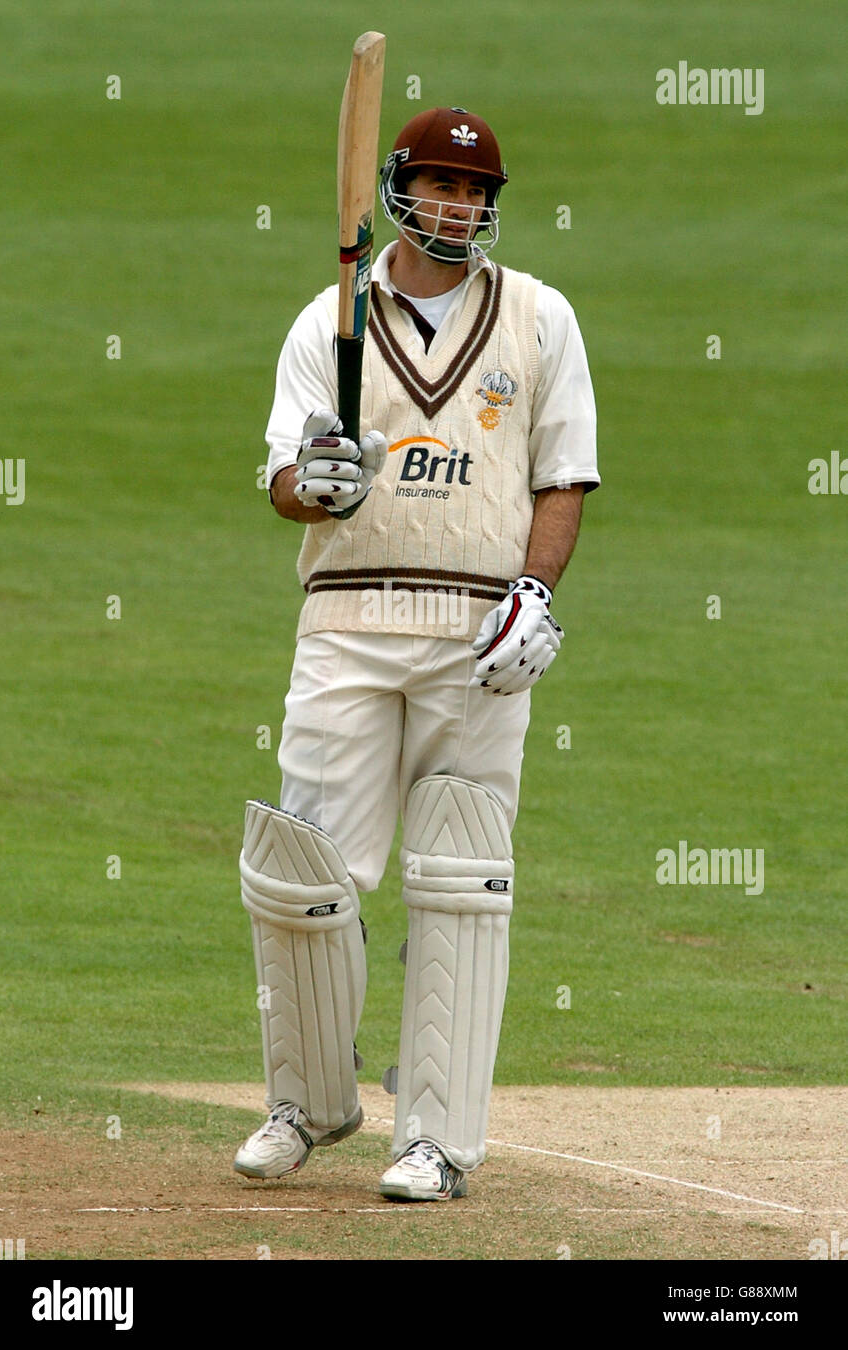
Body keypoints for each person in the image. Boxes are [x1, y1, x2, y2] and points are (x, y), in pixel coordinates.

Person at [234, 106, 600, 1201]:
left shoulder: (538, 316)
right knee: (305, 875)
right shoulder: (328, 319)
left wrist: (533, 591)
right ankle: (306, 1104)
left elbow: (560, 477)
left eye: (473, 191)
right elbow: (283, 480)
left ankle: (433, 1140)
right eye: (437, 185)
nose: (456, 206)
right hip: (346, 620)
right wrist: (319, 485)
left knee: (458, 880)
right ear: (399, 190)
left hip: (475, 636)